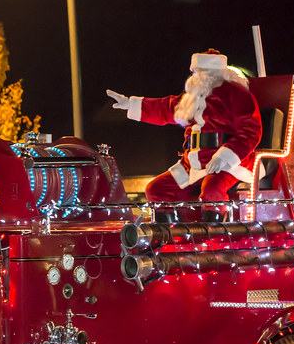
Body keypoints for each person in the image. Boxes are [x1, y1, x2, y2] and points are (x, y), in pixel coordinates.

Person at [106, 49, 262, 222]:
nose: (195, 75)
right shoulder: (191, 98)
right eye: (195, 72)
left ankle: (213, 236)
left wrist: (224, 157)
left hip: (226, 164)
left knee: (212, 189)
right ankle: (171, 237)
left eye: (199, 72)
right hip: (192, 164)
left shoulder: (237, 94)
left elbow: (250, 132)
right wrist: (130, 104)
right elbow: (163, 108)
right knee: (156, 189)